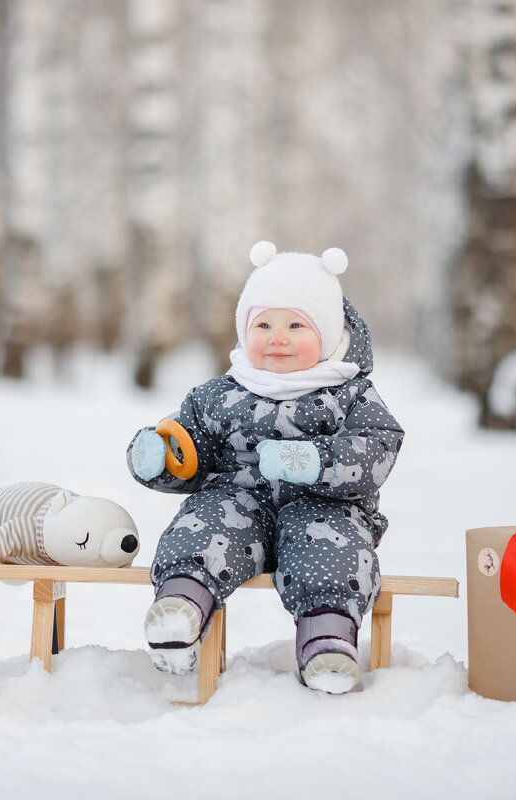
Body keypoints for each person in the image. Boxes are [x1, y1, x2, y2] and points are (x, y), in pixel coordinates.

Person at [126, 241, 404, 694]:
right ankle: (180, 607)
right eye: (264, 324)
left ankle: (327, 640)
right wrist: (161, 459)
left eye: (297, 324)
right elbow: (191, 453)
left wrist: (310, 460)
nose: (278, 337)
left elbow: (375, 451)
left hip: (325, 506)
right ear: (244, 330)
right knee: (205, 523)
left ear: (330, 335)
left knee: (332, 548)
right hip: (240, 504)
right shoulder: (219, 395)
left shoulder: (348, 394)